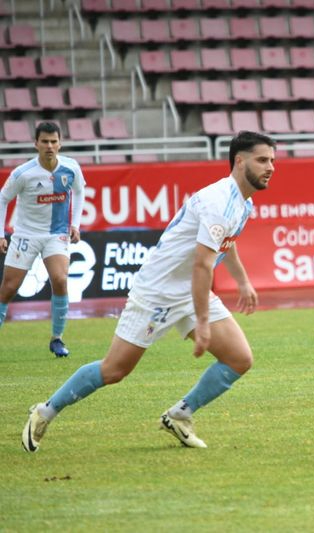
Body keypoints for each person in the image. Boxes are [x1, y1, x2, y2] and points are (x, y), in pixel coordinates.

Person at [21, 130, 275, 452]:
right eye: (263, 160)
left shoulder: (242, 202)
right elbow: (202, 266)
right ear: (240, 162)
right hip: (157, 291)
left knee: (239, 359)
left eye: (272, 161)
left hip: (187, 291)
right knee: (114, 370)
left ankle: (180, 414)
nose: (271, 167)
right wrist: (202, 322)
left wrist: (242, 281)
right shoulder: (218, 201)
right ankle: (45, 411)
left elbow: (227, 242)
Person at [0, 122, 86, 357]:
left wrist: (75, 224)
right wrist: (0, 234)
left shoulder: (71, 168)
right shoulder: (23, 173)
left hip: (55, 234)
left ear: (60, 143)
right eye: (45, 141)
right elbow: (2, 198)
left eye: (53, 141)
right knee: (8, 289)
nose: (49, 146)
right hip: (25, 234)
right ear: (36, 144)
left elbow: (79, 192)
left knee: (60, 279)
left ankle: (57, 339)